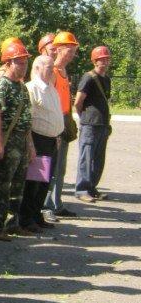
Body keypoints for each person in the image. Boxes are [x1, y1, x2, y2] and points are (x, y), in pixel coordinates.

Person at [0, 40, 34, 241]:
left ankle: (12, 223)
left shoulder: (22, 87)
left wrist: (30, 145)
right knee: (2, 185)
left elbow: (26, 118)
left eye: (25, 63)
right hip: (7, 140)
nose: (24, 67)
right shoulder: (2, 85)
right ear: (7, 64)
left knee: (18, 185)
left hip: (21, 141)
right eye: (19, 63)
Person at [18, 55, 63, 231]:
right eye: (49, 67)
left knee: (46, 181)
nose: (52, 70)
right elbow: (28, 120)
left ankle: (36, 215)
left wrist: (57, 134)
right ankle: (27, 218)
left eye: (52, 66)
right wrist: (31, 145)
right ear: (37, 68)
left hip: (52, 140)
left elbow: (54, 114)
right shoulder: (32, 89)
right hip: (38, 139)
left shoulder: (51, 88)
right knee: (33, 182)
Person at [44, 31, 80, 220]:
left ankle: (56, 203)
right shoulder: (53, 73)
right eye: (69, 50)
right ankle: (46, 205)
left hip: (64, 122)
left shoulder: (64, 73)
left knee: (61, 167)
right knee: (51, 167)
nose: (72, 54)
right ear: (58, 50)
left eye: (73, 50)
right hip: (55, 124)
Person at [74, 46, 112, 203]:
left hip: (102, 124)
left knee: (98, 159)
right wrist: (84, 118)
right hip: (90, 124)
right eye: (101, 59)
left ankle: (91, 188)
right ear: (94, 61)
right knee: (87, 158)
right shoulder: (88, 78)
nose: (104, 61)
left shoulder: (106, 79)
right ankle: (82, 189)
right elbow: (78, 102)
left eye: (106, 59)